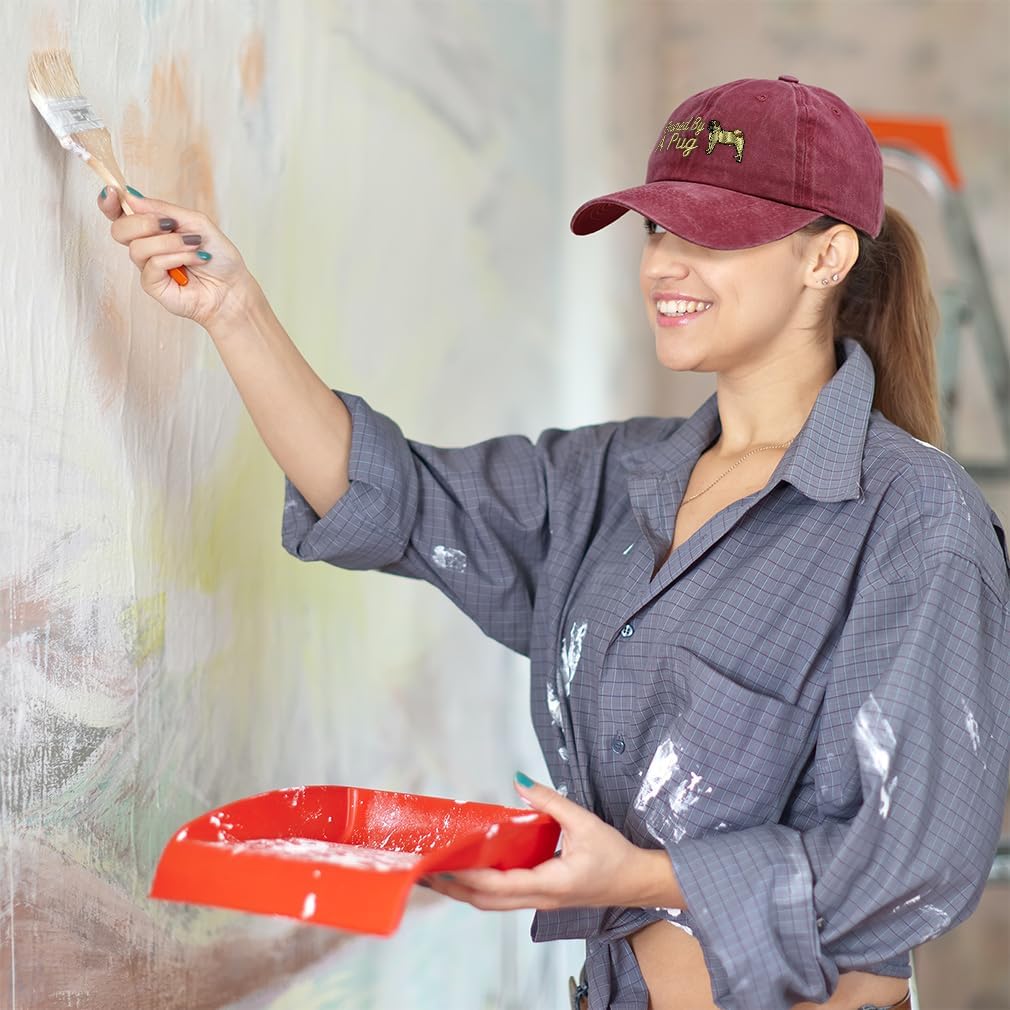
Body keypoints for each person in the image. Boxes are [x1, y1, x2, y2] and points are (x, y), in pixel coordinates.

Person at [98, 74, 1010, 1010]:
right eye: (657, 229)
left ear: (826, 257)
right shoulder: (611, 479)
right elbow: (394, 499)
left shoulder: (913, 518)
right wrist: (232, 308)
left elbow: (916, 861)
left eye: (710, 233)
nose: (663, 265)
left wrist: (637, 879)